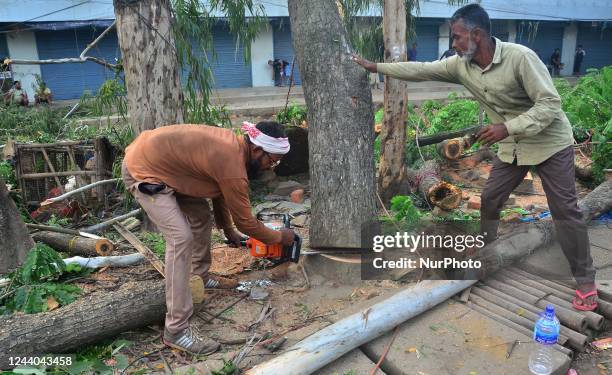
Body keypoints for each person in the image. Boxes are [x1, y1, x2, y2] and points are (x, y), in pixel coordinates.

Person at [352, 3, 597, 312]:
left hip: (549, 142)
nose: (452, 44)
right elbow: (421, 69)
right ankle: (488, 249)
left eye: (456, 37)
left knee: (564, 210)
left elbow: (550, 103)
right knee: (492, 198)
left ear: (476, 35)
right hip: (513, 147)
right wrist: (375, 67)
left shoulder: (520, 58)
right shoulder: (461, 66)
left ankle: (586, 280)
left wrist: (506, 127)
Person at [122, 121, 297, 354]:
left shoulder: (234, 151)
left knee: (201, 215)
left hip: (169, 168)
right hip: (145, 170)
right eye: (271, 160)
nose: (271, 167)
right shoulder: (232, 165)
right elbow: (246, 220)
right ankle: (176, 329)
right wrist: (278, 238)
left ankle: (199, 276)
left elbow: (220, 191)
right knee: (180, 237)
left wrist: (228, 230)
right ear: (256, 150)